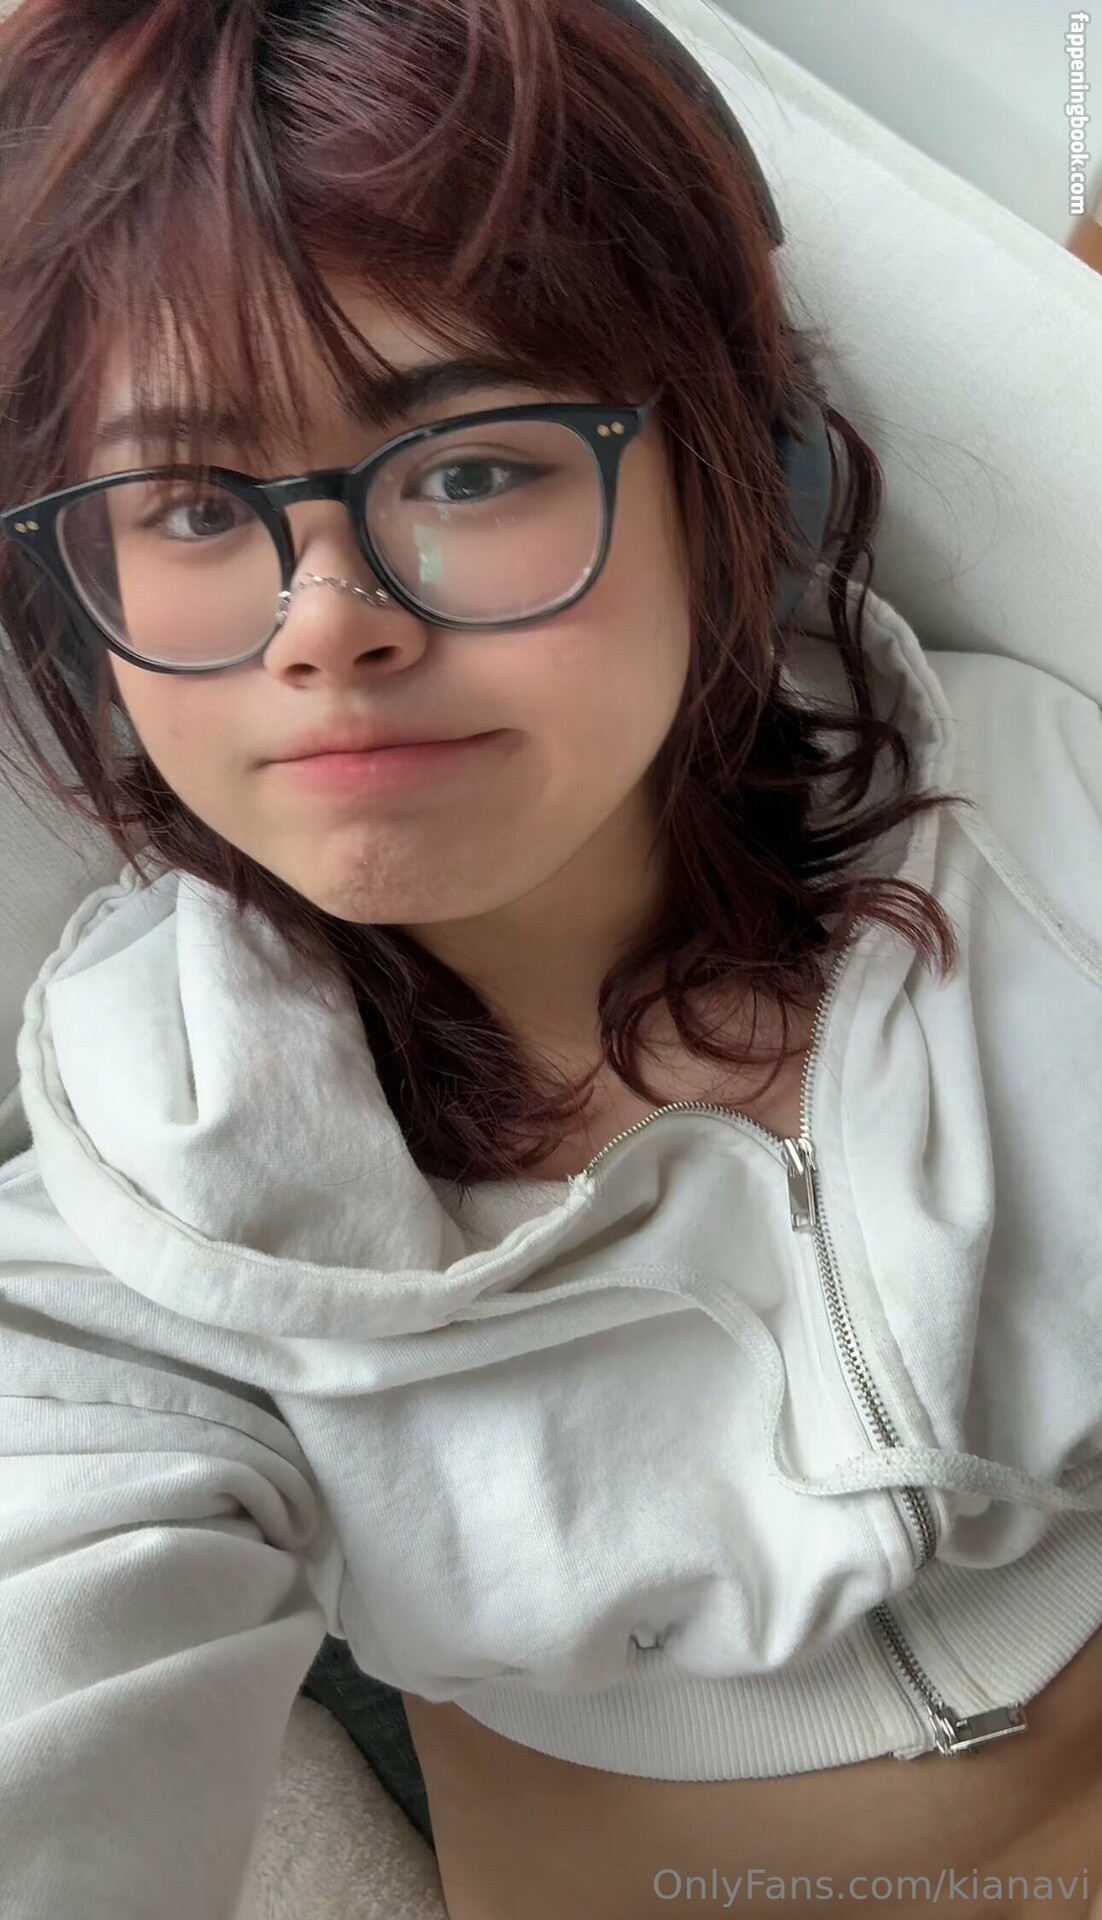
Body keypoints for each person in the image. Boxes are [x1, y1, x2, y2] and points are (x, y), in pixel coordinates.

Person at [0, 0, 1100, 1916]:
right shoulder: (117, 1266)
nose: (323, 624)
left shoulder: (1041, 817)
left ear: (729, 471)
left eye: (467, 468)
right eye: (193, 504)